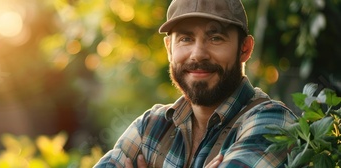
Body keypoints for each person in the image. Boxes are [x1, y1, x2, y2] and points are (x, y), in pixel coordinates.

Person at [94, 0, 298, 167]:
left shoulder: (272, 122)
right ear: (169, 49)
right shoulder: (151, 126)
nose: (198, 54)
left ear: (245, 48)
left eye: (216, 38)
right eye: (185, 39)